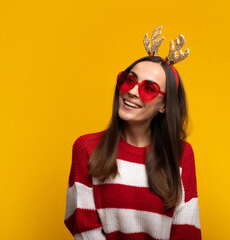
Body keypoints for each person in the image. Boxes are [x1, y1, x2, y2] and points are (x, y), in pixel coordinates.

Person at [64, 26, 201, 240]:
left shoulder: (181, 154)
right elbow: (82, 225)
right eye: (129, 80)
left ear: (164, 105)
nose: (132, 91)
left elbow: (187, 231)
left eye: (149, 89)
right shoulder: (87, 148)